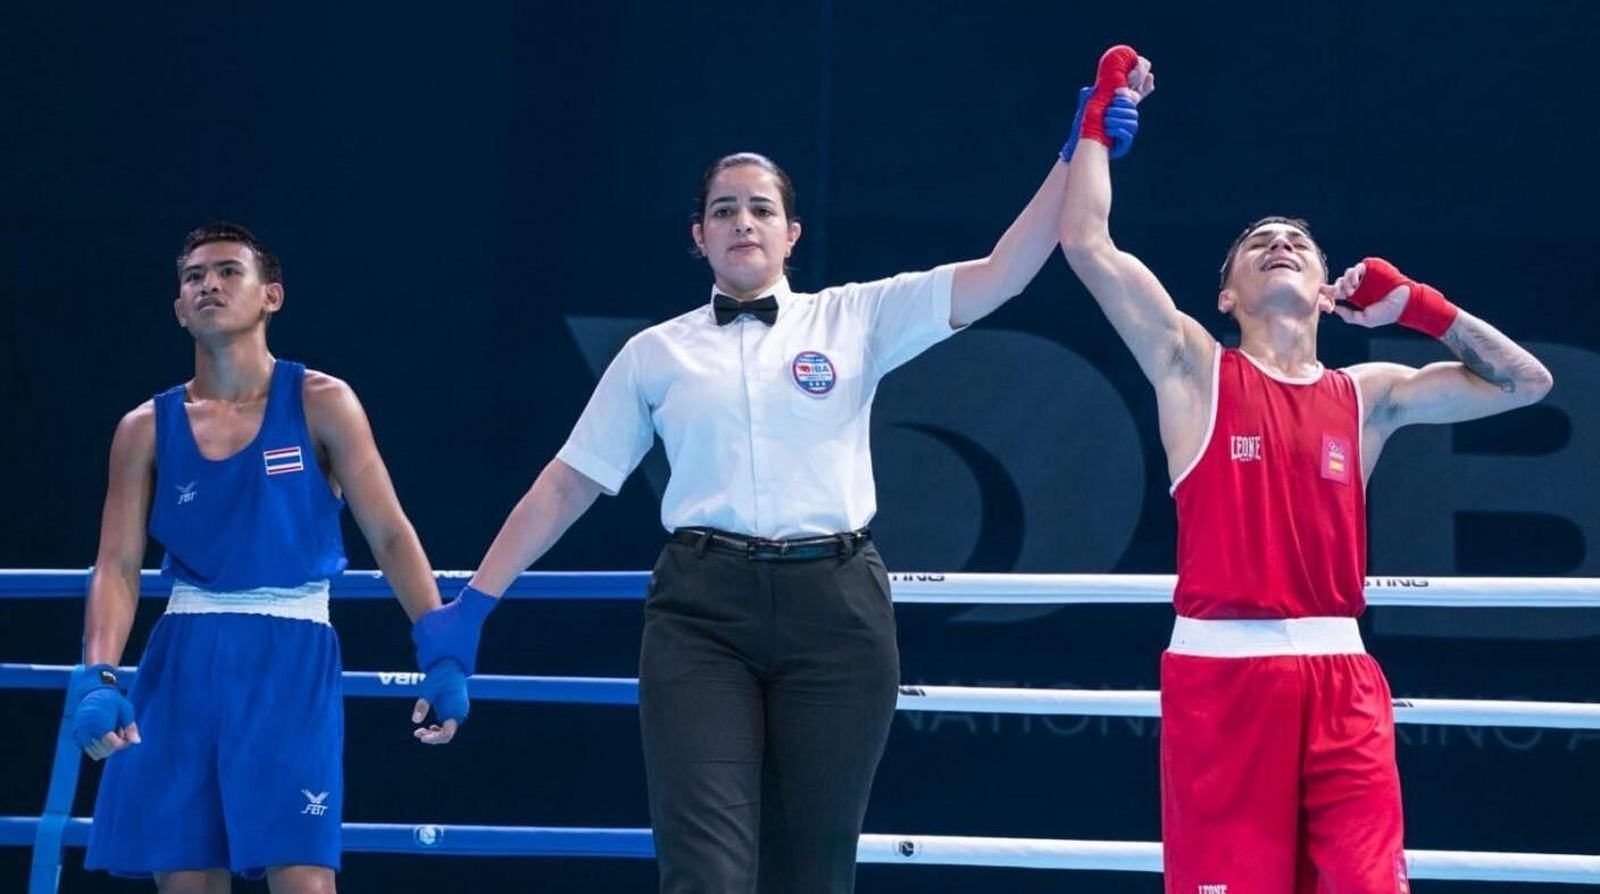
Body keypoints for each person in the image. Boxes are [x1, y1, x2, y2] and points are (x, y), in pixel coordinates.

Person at [406, 52, 1148, 894]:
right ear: (699, 236)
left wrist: (1075, 151)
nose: (743, 221)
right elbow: (568, 482)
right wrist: (472, 607)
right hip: (701, 614)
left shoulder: (855, 316)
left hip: (836, 610)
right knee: (706, 873)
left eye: (761, 208)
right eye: (724, 210)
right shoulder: (656, 353)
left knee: (813, 875)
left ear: (793, 233)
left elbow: (1001, 275)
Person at [1057, 48, 1554, 893]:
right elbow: (1087, 242)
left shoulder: (1370, 395)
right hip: (1222, 680)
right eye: (1259, 243)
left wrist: (1422, 310)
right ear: (1226, 296)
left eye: (1297, 243)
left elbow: (1525, 383)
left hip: (1343, 679)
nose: (1281, 244)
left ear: (1328, 289)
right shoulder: (1193, 368)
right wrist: (1099, 124)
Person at [70, 223, 465, 893]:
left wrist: (441, 646)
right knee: (187, 881)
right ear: (178, 308)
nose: (208, 285)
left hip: (290, 656)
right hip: (183, 657)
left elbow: (390, 534)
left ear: (271, 296)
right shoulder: (143, 429)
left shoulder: (322, 403)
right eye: (193, 277)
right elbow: (116, 564)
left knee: (305, 879)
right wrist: (98, 676)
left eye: (228, 271)